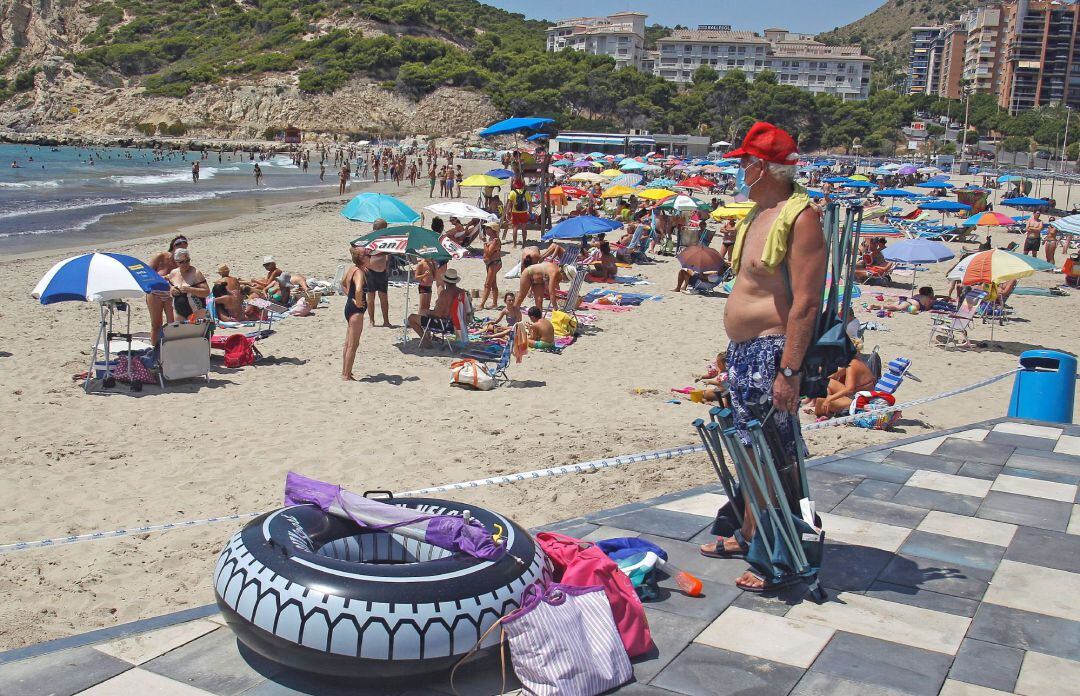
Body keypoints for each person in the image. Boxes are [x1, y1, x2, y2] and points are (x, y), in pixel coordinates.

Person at [697, 122, 827, 594]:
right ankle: (749, 533)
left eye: (744, 162)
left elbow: (806, 303)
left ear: (763, 167)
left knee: (772, 455)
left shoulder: (801, 217)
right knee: (750, 452)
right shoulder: (757, 214)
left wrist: (789, 371)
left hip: (773, 351)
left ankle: (779, 558)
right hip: (744, 353)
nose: (739, 169)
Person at [408, 268, 464, 347]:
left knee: (411, 318)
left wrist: (428, 312)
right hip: (455, 324)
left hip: (443, 324)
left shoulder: (445, 294)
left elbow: (438, 314)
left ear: (445, 281)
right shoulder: (462, 292)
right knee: (424, 314)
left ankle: (426, 341)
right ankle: (427, 337)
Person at [809, 356, 877, 418]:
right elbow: (833, 376)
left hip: (858, 402)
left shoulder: (851, 365)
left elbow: (849, 390)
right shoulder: (855, 362)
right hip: (857, 396)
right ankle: (825, 409)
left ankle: (822, 413)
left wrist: (829, 399)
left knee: (820, 399)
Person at [147, 236, 186, 344]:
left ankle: (170, 348)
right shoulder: (160, 257)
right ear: (174, 247)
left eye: (185, 249)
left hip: (170, 294)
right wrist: (163, 278)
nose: (182, 252)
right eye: (180, 249)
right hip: (155, 293)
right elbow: (147, 274)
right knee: (156, 324)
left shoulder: (182, 261)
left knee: (172, 324)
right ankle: (154, 348)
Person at [341, 247, 368, 381]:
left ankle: (346, 371)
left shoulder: (352, 269)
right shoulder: (359, 273)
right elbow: (358, 290)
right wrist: (358, 302)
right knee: (353, 344)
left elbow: (342, 284)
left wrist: (350, 298)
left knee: (348, 343)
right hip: (356, 311)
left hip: (349, 307)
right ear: (362, 258)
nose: (370, 257)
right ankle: (346, 375)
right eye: (367, 255)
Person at [167, 248, 210, 321]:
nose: (185, 264)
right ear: (176, 262)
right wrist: (172, 290)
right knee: (180, 331)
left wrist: (189, 289)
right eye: (182, 262)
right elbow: (169, 291)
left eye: (187, 261)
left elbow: (206, 292)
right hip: (179, 311)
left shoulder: (195, 273)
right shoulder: (173, 273)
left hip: (196, 309)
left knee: (196, 331)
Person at [364, 219, 392, 326]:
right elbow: (358, 251)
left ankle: (386, 321)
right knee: (371, 297)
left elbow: (388, 253)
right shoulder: (368, 238)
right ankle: (372, 321)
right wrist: (364, 266)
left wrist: (387, 265)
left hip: (382, 271)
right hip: (370, 272)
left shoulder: (385, 239)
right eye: (384, 228)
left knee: (384, 297)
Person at [478, 223, 502, 310]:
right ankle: (494, 303)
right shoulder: (491, 239)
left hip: (494, 263)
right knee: (493, 283)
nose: (486, 229)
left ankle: (482, 304)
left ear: (493, 230)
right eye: (486, 228)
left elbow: (488, 253)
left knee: (487, 284)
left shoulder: (495, 240)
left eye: (488, 228)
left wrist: (484, 242)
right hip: (491, 263)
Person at [868, 286, 935, 315]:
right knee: (897, 308)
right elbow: (927, 308)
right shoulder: (927, 298)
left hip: (904, 300)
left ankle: (876, 306)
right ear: (929, 294)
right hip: (909, 305)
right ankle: (879, 306)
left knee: (892, 306)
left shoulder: (917, 295)